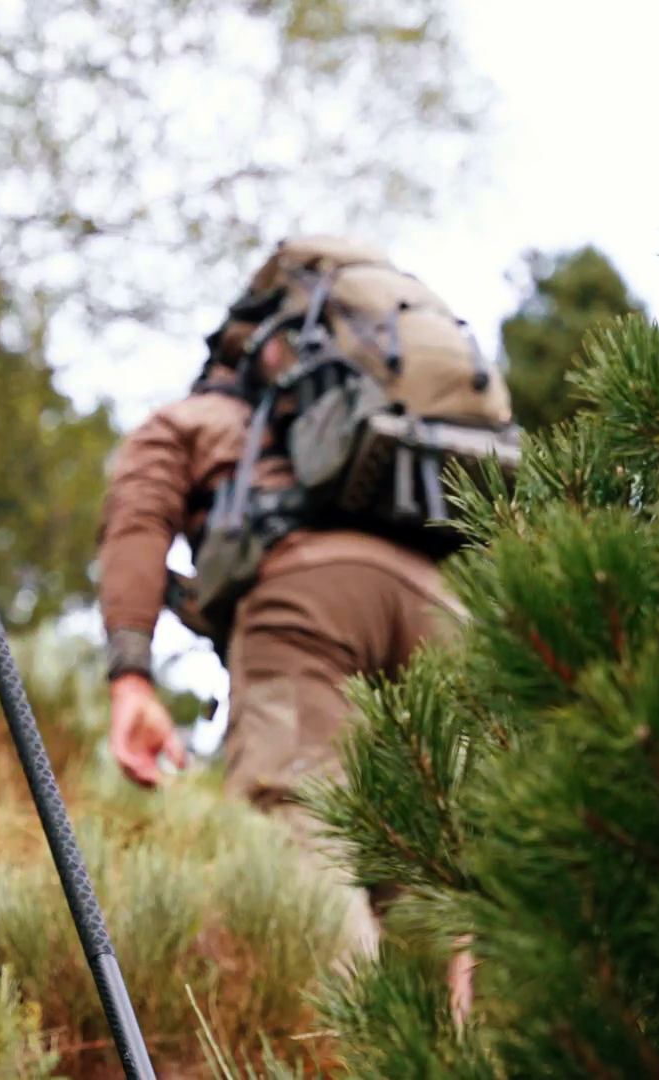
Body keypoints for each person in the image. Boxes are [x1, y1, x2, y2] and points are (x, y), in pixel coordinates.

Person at [96, 235, 476, 969]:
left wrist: (131, 672)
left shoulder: (194, 422)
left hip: (307, 605)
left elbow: (137, 523)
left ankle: (328, 1057)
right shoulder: (392, 426)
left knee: (300, 831)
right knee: (445, 874)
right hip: (442, 607)